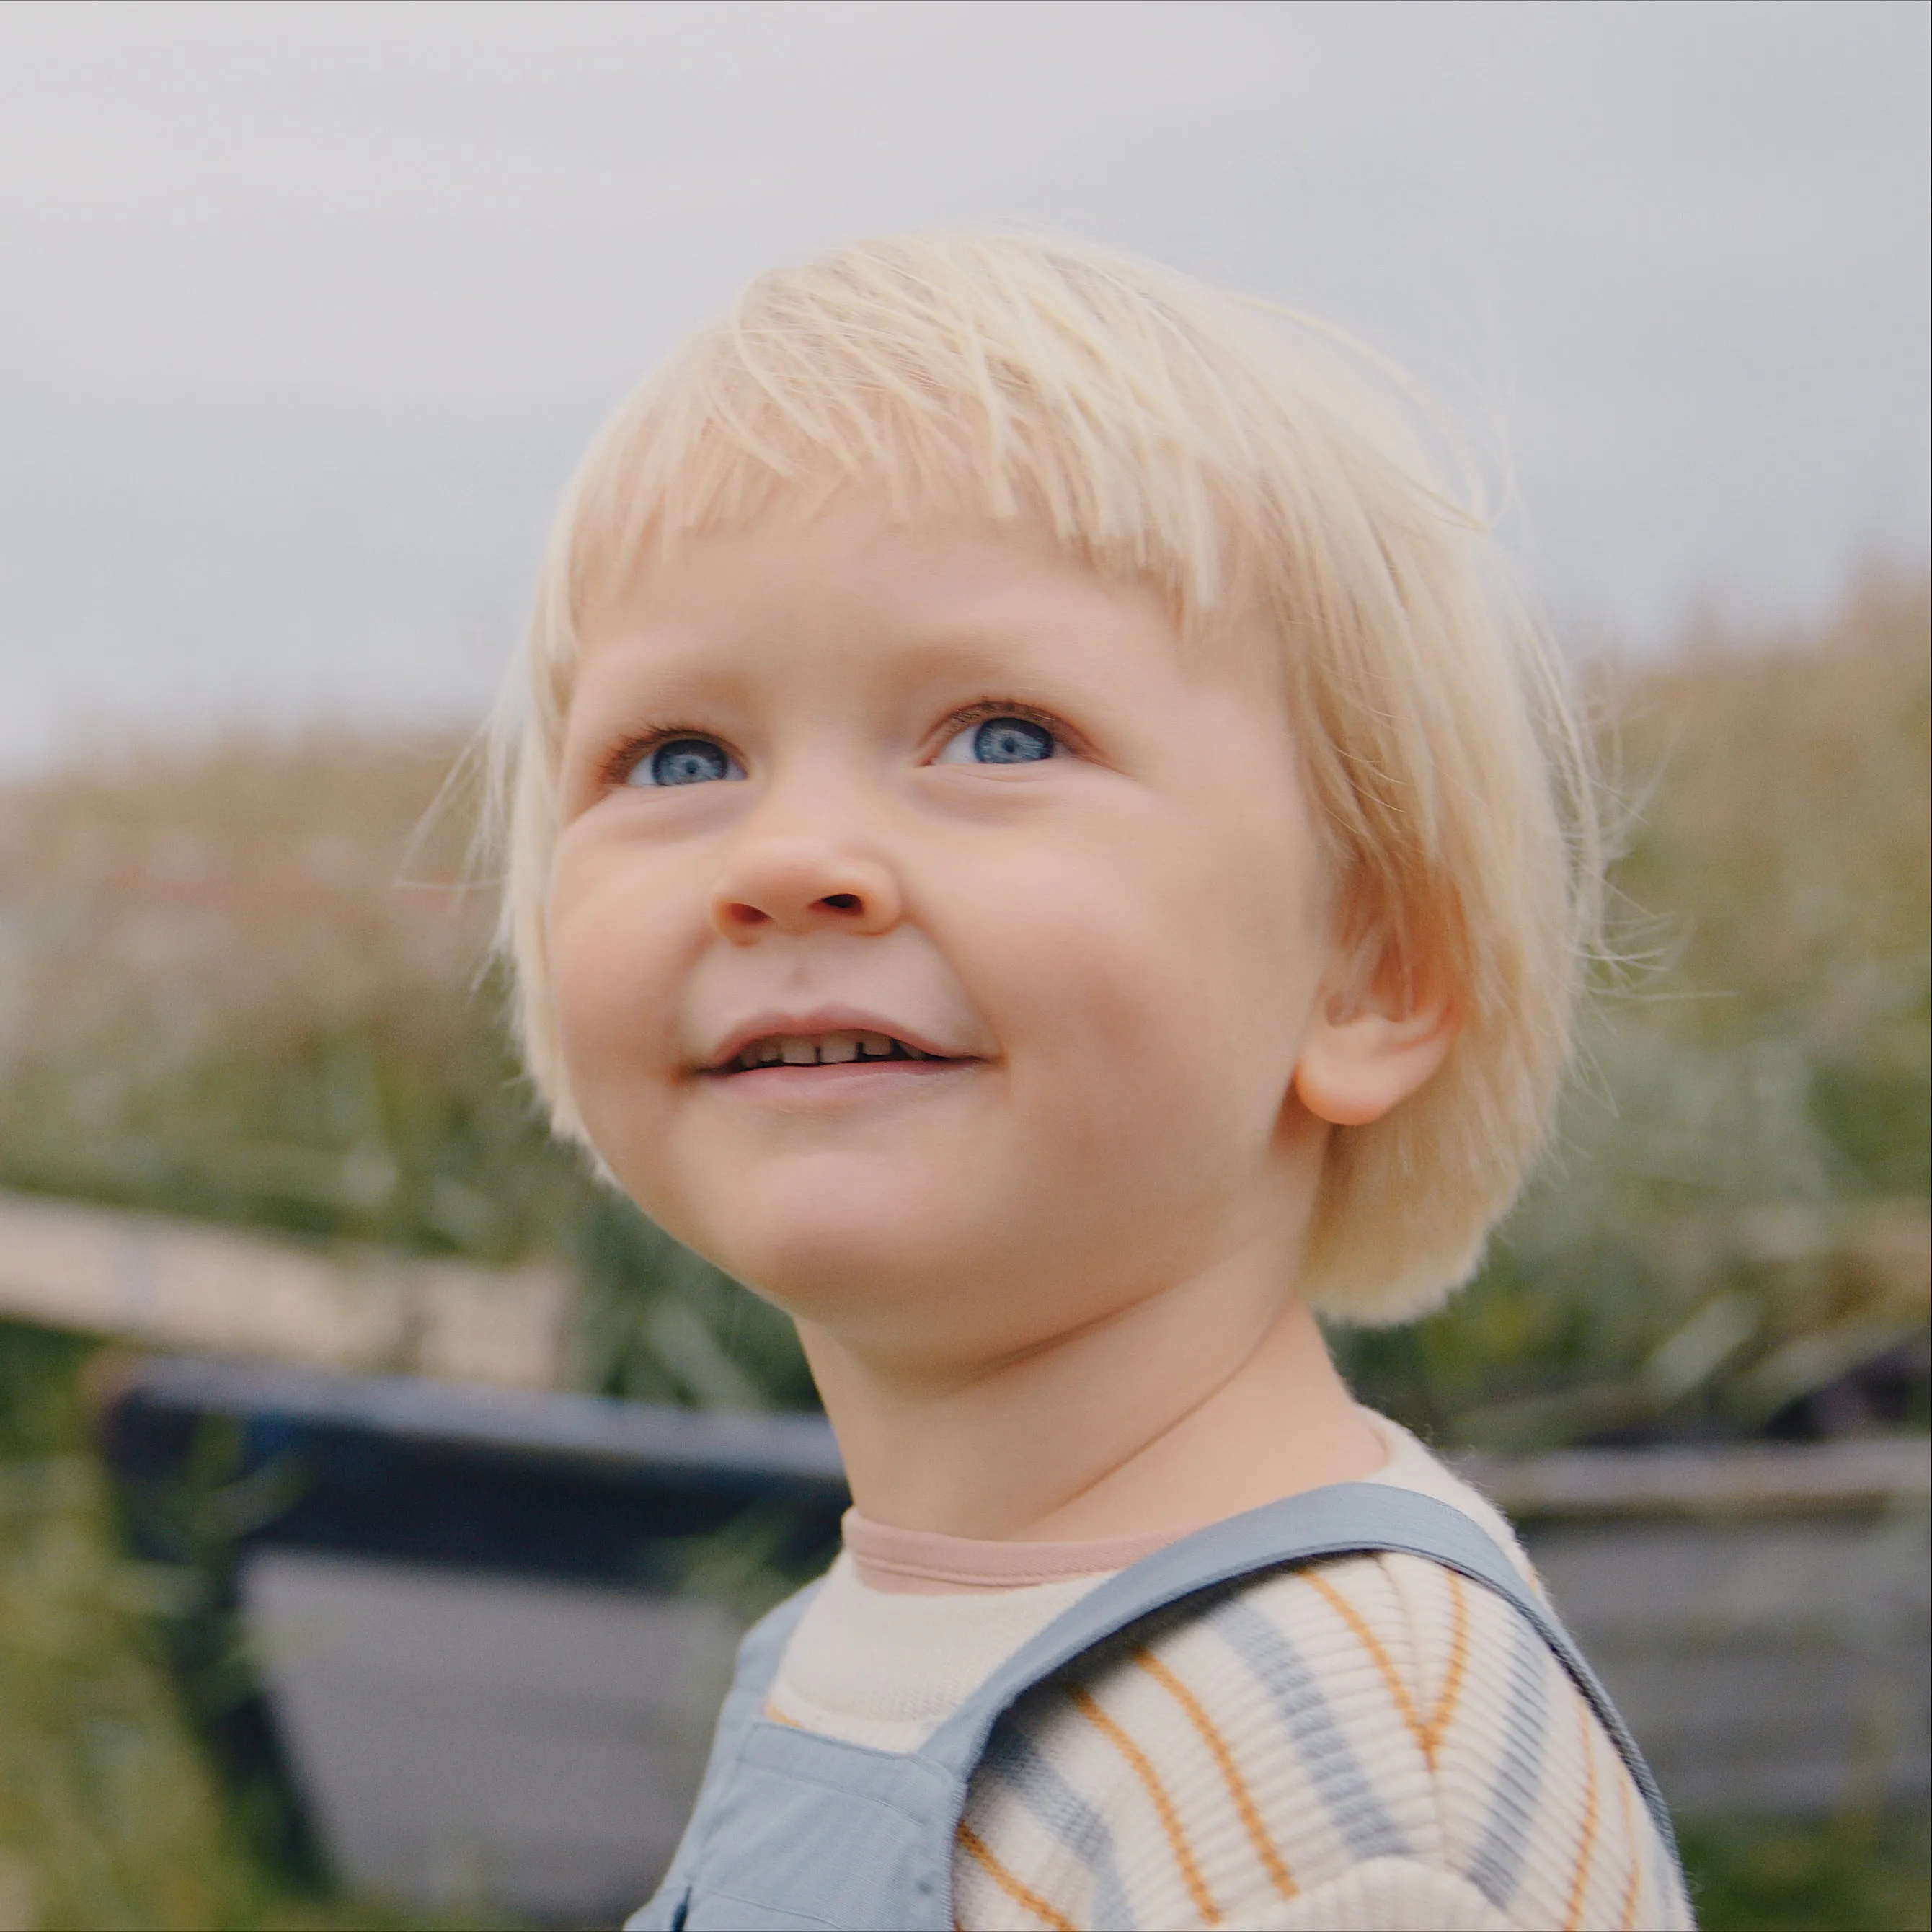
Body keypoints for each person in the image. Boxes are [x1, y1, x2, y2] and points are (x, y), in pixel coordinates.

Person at [489, 231, 1692, 1931]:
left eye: (999, 734)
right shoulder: (877, 1638)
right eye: (679, 756)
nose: (788, 857)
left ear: (1364, 971)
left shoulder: (1324, 1771)